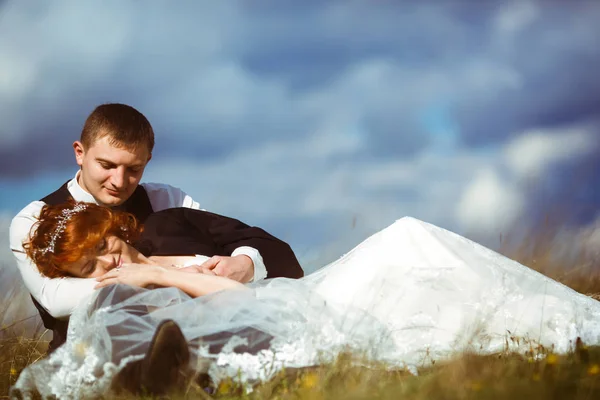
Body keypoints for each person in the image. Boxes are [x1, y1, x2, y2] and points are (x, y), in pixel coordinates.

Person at [11, 202, 600, 398]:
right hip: (290, 310)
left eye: (105, 249)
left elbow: (261, 253)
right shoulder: (123, 290)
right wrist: (175, 279)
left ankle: (565, 316)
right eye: (90, 268)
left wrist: (235, 261)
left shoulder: (164, 233)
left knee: (408, 235)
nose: (106, 266)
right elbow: (225, 299)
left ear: (116, 228)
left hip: (291, 292)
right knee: (404, 249)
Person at [8, 103, 304, 353]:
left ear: (147, 161)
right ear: (79, 153)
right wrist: (152, 277)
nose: (119, 181)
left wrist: (245, 263)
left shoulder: (167, 201)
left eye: (133, 169)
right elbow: (56, 300)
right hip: (90, 354)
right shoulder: (34, 218)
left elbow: (245, 241)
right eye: (106, 165)